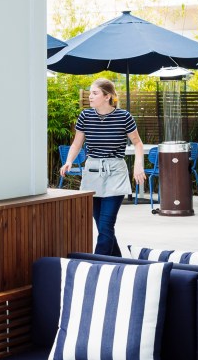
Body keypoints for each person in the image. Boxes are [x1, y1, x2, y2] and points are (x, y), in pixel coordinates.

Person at [59, 79, 144, 255]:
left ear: (107, 96)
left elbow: (137, 143)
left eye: (95, 93)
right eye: (90, 93)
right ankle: (119, 263)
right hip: (92, 173)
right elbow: (76, 144)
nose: (90, 96)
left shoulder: (124, 117)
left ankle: (96, 265)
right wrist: (69, 161)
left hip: (115, 173)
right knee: (103, 229)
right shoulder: (85, 116)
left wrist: (138, 167)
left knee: (106, 226)